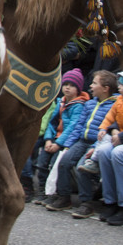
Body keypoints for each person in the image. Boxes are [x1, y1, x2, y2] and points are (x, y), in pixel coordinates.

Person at [44, 70, 117, 213]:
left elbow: (107, 129)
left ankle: (86, 203)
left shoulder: (113, 105)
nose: (90, 86)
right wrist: (67, 145)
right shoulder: (89, 104)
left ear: (105, 88)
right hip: (82, 141)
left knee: (82, 167)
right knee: (64, 162)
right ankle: (64, 197)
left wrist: (96, 147)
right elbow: (78, 127)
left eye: (94, 83)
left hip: (97, 143)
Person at [33, 69, 88, 204]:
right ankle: (43, 191)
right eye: (65, 84)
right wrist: (48, 139)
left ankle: (56, 193)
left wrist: (58, 144)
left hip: (65, 142)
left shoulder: (79, 106)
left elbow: (73, 127)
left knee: (55, 165)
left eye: (72, 85)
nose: (67, 87)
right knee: (42, 163)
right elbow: (52, 122)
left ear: (79, 88)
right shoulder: (60, 102)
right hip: (53, 140)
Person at [91, 70, 123, 224]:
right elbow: (112, 118)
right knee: (105, 152)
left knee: (118, 153)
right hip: (120, 138)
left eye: (122, 84)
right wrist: (110, 129)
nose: (119, 87)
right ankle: (110, 201)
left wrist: (121, 136)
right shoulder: (120, 100)